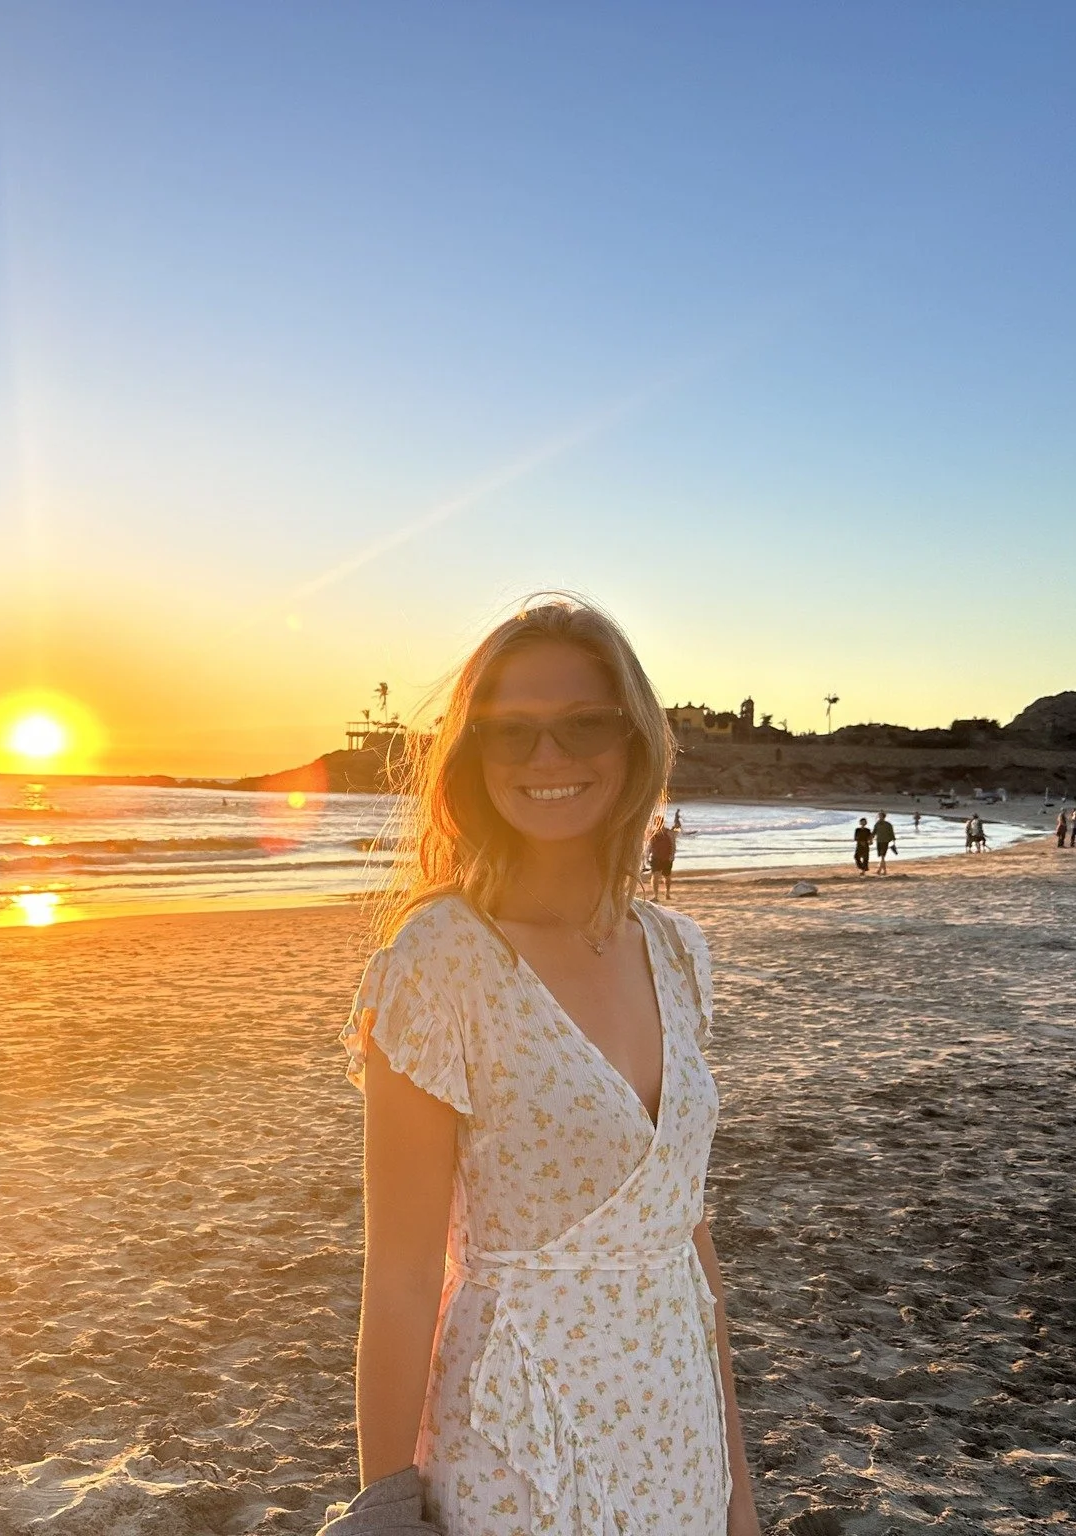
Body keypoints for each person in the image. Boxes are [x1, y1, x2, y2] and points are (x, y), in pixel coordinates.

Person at [342, 596, 756, 1536]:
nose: (547, 759)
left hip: (675, 1429)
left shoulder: (677, 952)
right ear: (472, 758)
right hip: (517, 1436)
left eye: (583, 725)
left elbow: (686, 1241)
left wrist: (739, 1494)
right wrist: (381, 1508)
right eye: (511, 734)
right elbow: (402, 1277)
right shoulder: (440, 960)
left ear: (636, 738)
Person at [648, 814, 678, 900]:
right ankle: (655, 896)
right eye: (656, 823)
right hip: (655, 857)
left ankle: (667, 893)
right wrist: (646, 857)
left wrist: (672, 855)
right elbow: (650, 846)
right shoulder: (653, 834)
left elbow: (673, 845)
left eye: (659, 822)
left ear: (662, 823)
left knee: (667, 876)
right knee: (655, 876)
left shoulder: (668, 833)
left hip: (666, 857)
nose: (658, 824)